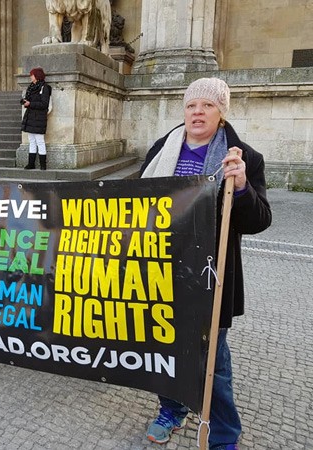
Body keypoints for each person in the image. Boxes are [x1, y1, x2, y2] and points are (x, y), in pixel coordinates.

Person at [141, 78, 272, 450]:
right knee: (164, 349)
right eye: (191, 106)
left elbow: (259, 221)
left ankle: (223, 433)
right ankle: (172, 409)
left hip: (211, 277)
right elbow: (135, 203)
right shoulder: (160, 150)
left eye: (207, 106)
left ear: (221, 112)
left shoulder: (244, 158)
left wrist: (243, 186)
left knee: (214, 362)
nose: (197, 112)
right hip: (161, 269)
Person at [21, 67, 51, 171]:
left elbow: (44, 104)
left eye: (32, 75)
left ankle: (43, 165)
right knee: (31, 141)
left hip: (39, 118)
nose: (30, 77)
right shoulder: (31, 87)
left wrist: (31, 104)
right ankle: (31, 163)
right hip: (30, 117)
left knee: (40, 141)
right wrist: (25, 102)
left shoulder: (44, 87)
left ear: (37, 76)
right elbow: (30, 101)